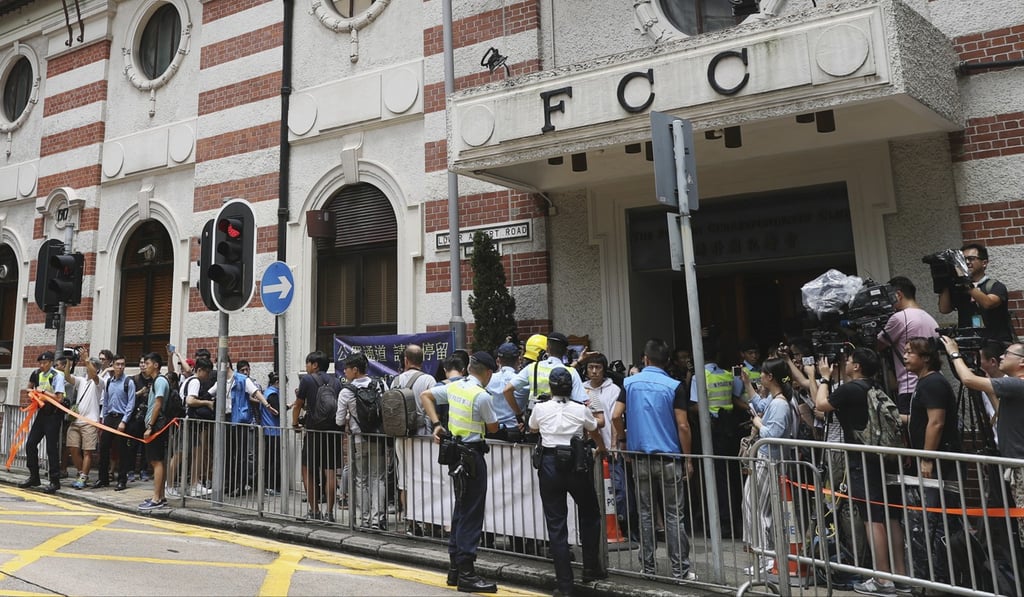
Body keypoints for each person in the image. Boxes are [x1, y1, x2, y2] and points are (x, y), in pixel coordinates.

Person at [811, 348, 909, 596]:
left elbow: (821, 405)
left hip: (863, 459)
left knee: (872, 518)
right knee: (892, 517)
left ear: (857, 367)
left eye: (849, 361)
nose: (845, 363)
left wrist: (823, 377)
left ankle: (882, 580)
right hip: (886, 458)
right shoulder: (876, 387)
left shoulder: (850, 389)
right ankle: (899, 575)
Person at [612, 338, 696, 582]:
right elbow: (683, 425)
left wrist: (623, 439)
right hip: (669, 458)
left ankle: (647, 568)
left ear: (645, 359)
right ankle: (680, 569)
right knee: (674, 515)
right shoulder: (674, 385)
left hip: (640, 457)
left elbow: (616, 415)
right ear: (667, 361)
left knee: (646, 514)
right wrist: (688, 459)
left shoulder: (629, 383)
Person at [422, 352, 500, 593]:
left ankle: (455, 570)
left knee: (461, 510)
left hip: (456, 455)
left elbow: (425, 396)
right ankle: (467, 574)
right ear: (487, 372)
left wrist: (436, 424)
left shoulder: (456, 387)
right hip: (472, 457)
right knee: (471, 514)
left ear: (469, 368)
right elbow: (493, 428)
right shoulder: (481, 396)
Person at [941, 335, 1024, 546]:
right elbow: (1001, 413)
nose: (1002, 357)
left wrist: (954, 353)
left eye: (1008, 354)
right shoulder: (1011, 386)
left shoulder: (1016, 384)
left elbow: (969, 381)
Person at [529, 367, 606, 595]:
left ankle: (565, 586)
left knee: (556, 525)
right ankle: (591, 567)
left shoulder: (540, 408)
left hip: (549, 464)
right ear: (571, 387)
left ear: (551, 387)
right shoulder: (580, 409)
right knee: (590, 513)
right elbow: (593, 428)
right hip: (576, 464)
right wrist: (601, 448)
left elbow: (533, 427)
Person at [741, 358, 794, 575]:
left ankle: (766, 559)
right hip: (767, 460)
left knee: (757, 508)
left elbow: (772, 434)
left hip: (769, 461)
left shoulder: (780, 404)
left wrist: (758, 423)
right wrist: (747, 384)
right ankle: (765, 557)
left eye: (762, 374)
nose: (759, 377)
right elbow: (760, 404)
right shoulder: (776, 399)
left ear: (770, 377)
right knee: (756, 506)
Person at [336, 352, 387, 529]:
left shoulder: (346, 391)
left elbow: (339, 420)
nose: (344, 372)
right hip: (378, 438)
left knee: (360, 479)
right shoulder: (379, 385)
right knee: (378, 478)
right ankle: (377, 519)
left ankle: (363, 519)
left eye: (347, 369)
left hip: (358, 439)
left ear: (355, 370)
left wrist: (350, 417)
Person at [390, 344, 437, 533]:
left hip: (401, 435)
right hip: (423, 435)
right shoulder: (429, 380)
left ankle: (410, 521)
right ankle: (427, 521)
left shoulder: (396, 380)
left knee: (405, 480)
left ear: (405, 360)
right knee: (426, 478)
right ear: (422, 360)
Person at [292, 351, 342, 521]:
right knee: (330, 472)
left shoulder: (307, 380)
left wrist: (295, 424)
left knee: (308, 470)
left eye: (308, 363)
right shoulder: (336, 381)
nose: (306, 367)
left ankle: (314, 511)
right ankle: (330, 513)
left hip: (314, 432)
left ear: (315, 365)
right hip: (333, 432)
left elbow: (298, 405)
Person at [877, 276, 939, 415]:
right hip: (934, 383)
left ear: (898, 295)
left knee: (913, 432)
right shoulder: (930, 318)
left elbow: (877, 346)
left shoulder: (899, 318)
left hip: (910, 387)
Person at [903, 337, 961, 479]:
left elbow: (936, 423)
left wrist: (927, 458)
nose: (904, 356)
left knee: (937, 499)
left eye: (910, 352)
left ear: (926, 358)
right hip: (931, 457)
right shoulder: (925, 382)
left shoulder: (933, 383)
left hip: (939, 461)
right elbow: (922, 418)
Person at [503, 332, 587, 426]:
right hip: (559, 422)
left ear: (547, 348)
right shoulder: (571, 372)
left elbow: (507, 390)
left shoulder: (533, 368)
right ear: (565, 352)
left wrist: (519, 415)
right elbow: (580, 402)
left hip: (535, 421)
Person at [937, 243, 1014, 342]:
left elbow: (988, 303)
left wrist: (965, 282)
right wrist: (944, 283)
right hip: (969, 345)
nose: (967, 262)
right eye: (963, 260)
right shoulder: (959, 288)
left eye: (971, 258)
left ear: (984, 263)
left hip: (994, 345)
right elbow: (944, 309)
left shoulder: (995, 286)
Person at [19, 351, 67, 494]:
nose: (41, 365)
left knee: (51, 448)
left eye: (44, 363)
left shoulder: (57, 376)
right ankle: (34, 476)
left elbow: (60, 398)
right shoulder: (37, 373)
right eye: (40, 363)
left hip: (53, 414)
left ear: (51, 362)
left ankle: (54, 481)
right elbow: (29, 387)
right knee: (30, 444)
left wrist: (43, 393)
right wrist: (32, 393)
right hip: (42, 413)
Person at [93, 354, 136, 491]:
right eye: (118, 364)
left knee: (122, 450)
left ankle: (122, 480)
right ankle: (103, 478)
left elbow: (131, 403)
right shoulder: (109, 382)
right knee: (104, 448)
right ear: (113, 365)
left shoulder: (128, 382)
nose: (120, 367)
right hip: (109, 418)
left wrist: (124, 421)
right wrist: (104, 417)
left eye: (123, 364)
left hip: (122, 418)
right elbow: (105, 401)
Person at [65, 349, 101, 489]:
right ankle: (80, 473)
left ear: (96, 368)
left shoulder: (99, 381)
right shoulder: (81, 380)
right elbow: (67, 377)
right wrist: (69, 361)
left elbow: (94, 376)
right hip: (76, 421)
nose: (88, 367)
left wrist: (86, 359)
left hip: (90, 422)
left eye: (91, 365)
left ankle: (84, 477)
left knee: (87, 451)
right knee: (73, 448)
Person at [138, 352, 169, 511]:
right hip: (155, 426)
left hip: (156, 427)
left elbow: (158, 404)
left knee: (156, 462)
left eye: (148, 363)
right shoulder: (156, 381)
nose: (145, 366)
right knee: (157, 461)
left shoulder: (160, 381)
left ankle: (156, 498)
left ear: (156, 365)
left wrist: (150, 426)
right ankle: (160, 496)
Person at [183, 358, 215, 497]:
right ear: (199, 370)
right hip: (191, 423)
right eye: (206, 372)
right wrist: (207, 403)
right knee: (186, 455)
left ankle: (194, 484)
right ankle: (187, 485)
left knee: (191, 454)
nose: (207, 376)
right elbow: (190, 400)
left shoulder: (188, 380)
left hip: (188, 422)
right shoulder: (195, 381)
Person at [260, 372, 283, 495]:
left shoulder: (267, 392)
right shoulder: (273, 394)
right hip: (273, 431)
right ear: (278, 383)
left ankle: (269, 486)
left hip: (269, 430)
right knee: (274, 460)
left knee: (270, 459)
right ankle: (272, 486)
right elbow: (278, 411)